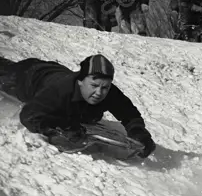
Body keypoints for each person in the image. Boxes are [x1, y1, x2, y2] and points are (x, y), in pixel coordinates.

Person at [0, 54, 156, 158]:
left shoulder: (108, 92)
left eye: (105, 87)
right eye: (94, 85)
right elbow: (29, 115)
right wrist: (62, 126)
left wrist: (138, 132)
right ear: (80, 81)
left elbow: (130, 114)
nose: (99, 92)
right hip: (27, 76)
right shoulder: (60, 90)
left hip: (54, 71)